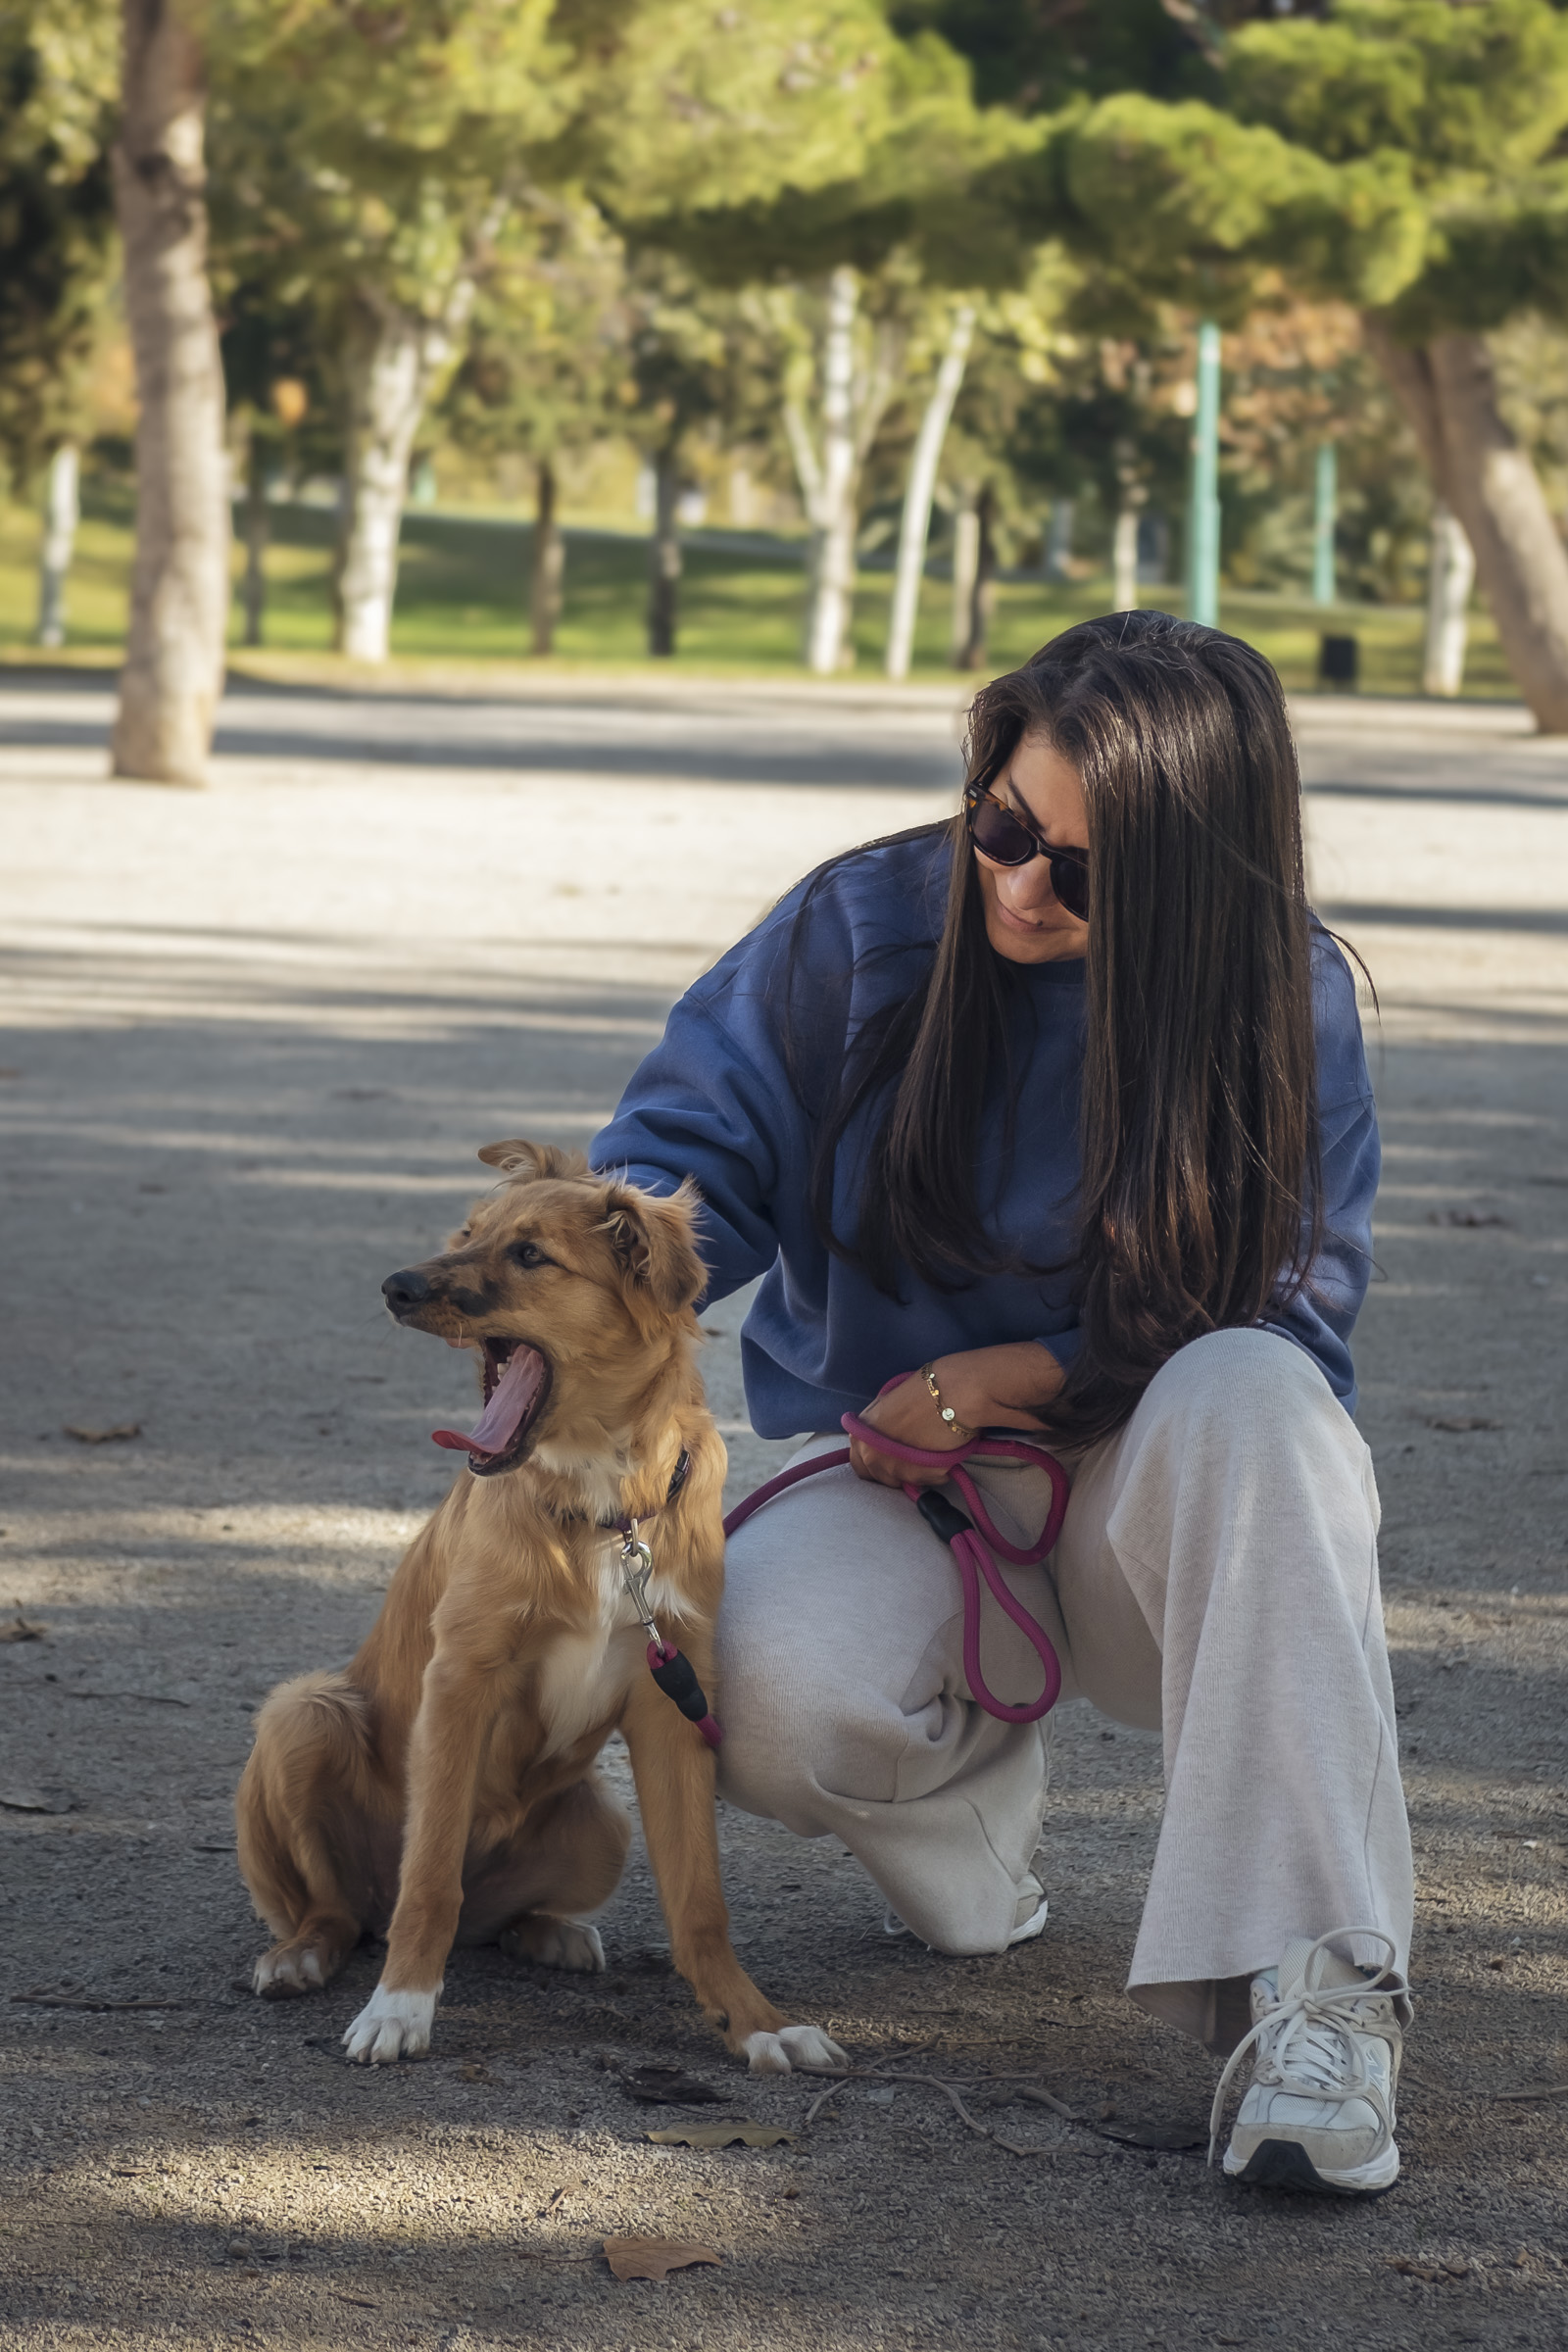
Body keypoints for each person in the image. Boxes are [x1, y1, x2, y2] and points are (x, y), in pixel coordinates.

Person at [589, 612, 1412, 2196]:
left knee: (1265, 1401)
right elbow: (689, 1152)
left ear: (1189, 881)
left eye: (1085, 873)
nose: (1024, 888)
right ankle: (978, 1855)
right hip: (898, 1488)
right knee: (744, 1673)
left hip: (1152, 1499)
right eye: (1005, 828)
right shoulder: (864, 926)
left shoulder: (1283, 993)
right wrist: (588, 1273)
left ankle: (1325, 1998)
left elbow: (1294, 1309)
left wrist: (1020, 1379)